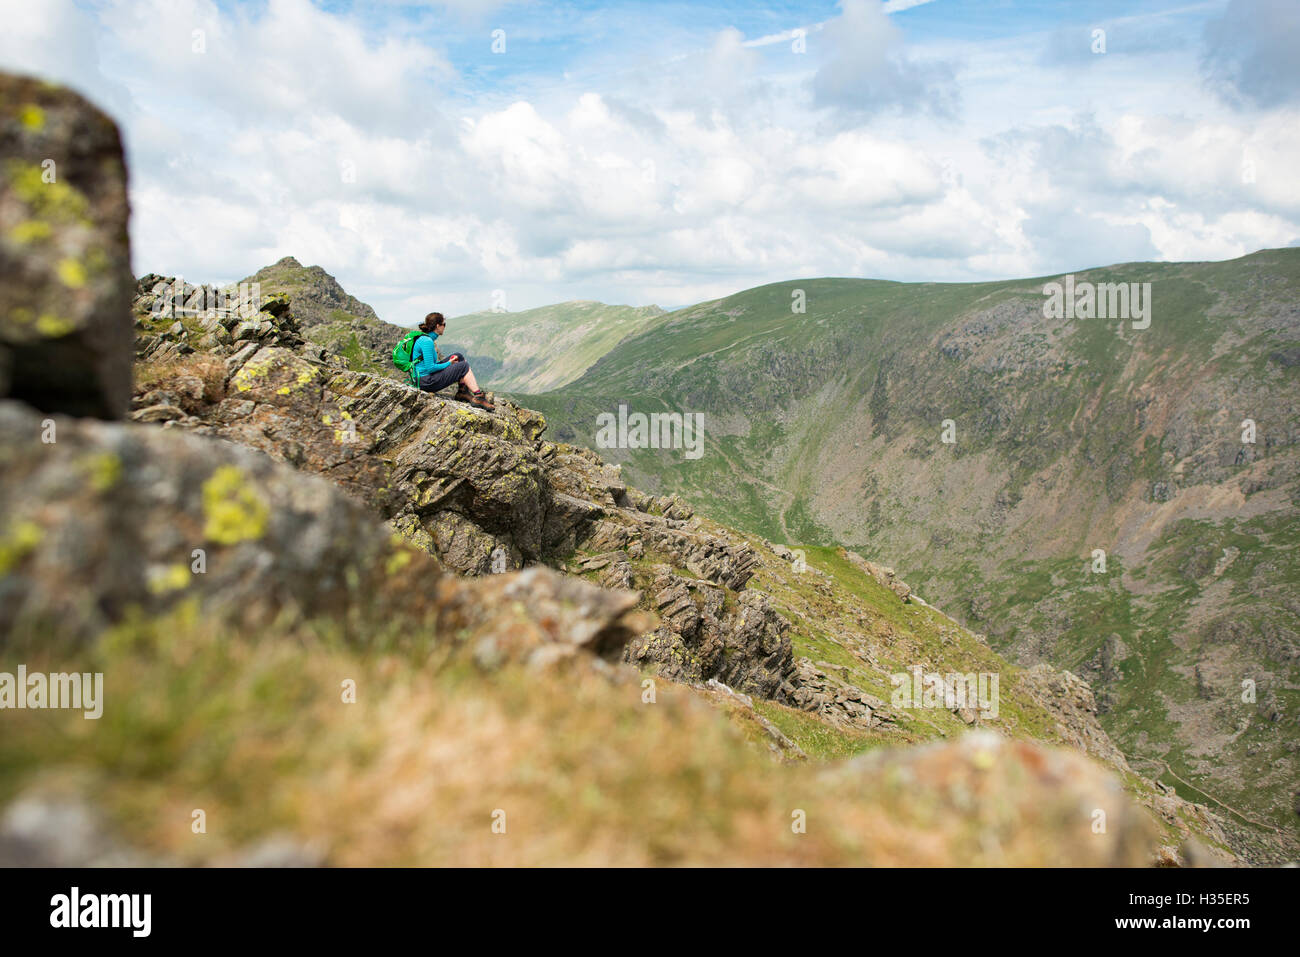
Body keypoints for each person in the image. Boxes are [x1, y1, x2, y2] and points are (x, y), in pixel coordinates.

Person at [411, 312, 494, 411]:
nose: (444, 327)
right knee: (463, 366)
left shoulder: (426, 338)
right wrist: (449, 363)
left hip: (424, 378)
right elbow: (430, 368)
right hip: (426, 382)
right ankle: (478, 396)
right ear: (438, 326)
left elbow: (428, 366)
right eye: (444, 324)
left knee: (458, 356)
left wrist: (450, 362)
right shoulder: (426, 341)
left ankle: (463, 393)